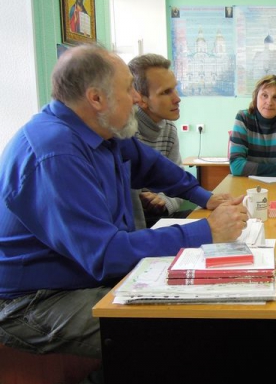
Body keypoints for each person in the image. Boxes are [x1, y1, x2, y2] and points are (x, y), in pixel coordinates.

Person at [0, 44, 248, 383]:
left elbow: (153, 167)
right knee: (173, 336)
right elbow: (106, 254)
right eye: (129, 88)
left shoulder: (103, 130)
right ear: (96, 98)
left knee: (203, 308)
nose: (137, 98)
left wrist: (205, 197)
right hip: (32, 301)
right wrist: (206, 232)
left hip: (81, 277)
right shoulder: (55, 153)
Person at [128, 53, 193, 229]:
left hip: (159, 218)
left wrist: (163, 202)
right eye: (166, 92)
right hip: (134, 227)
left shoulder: (168, 129)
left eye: (175, 88)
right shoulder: (125, 130)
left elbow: (179, 184)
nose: (177, 98)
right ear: (141, 99)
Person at [229, 74, 276, 177]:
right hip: (249, 185)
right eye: (264, 95)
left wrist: (252, 168)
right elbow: (236, 166)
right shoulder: (243, 118)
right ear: (256, 97)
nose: (269, 102)